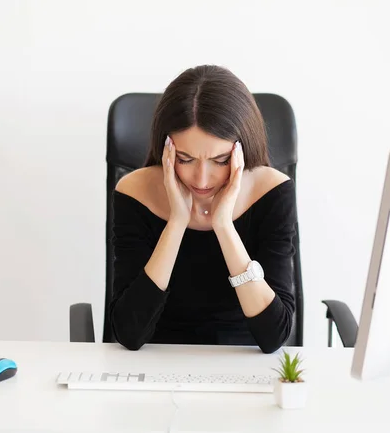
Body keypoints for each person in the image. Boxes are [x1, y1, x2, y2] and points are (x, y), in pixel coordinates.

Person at [110, 65, 297, 353]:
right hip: (156, 364)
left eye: (220, 160)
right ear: (166, 149)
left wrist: (224, 227)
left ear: (242, 151)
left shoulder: (271, 191)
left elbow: (273, 336)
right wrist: (176, 222)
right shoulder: (136, 191)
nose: (202, 179)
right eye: (185, 159)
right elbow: (129, 334)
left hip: (243, 366)